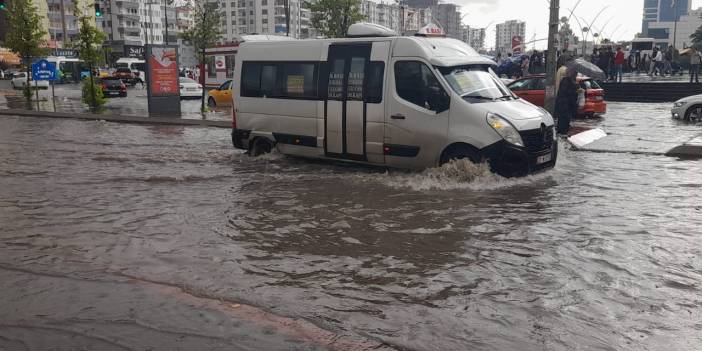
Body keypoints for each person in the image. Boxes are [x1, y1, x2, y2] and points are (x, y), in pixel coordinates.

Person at [555, 67, 580, 135]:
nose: (576, 74)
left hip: (568, 106)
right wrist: (575, 89)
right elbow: (566, 92)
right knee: (563, 122)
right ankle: (561, 135)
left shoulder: (572, 81)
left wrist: (576, 87)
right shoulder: (565, 80)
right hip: (564, 106)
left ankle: (563, 134)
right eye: (575, 73)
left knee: (566, 122)